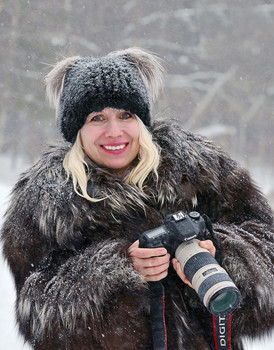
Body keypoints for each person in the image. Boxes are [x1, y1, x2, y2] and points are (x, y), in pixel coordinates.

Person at [1, 47, 273, 350]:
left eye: (125, 115)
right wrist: (119, 271)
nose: (114, 131)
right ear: (76, 130)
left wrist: (215, 252)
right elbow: (38, 318)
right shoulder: (45, 204)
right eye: (97, 118)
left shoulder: (201, 173)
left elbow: (267, 252)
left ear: (141, 120)